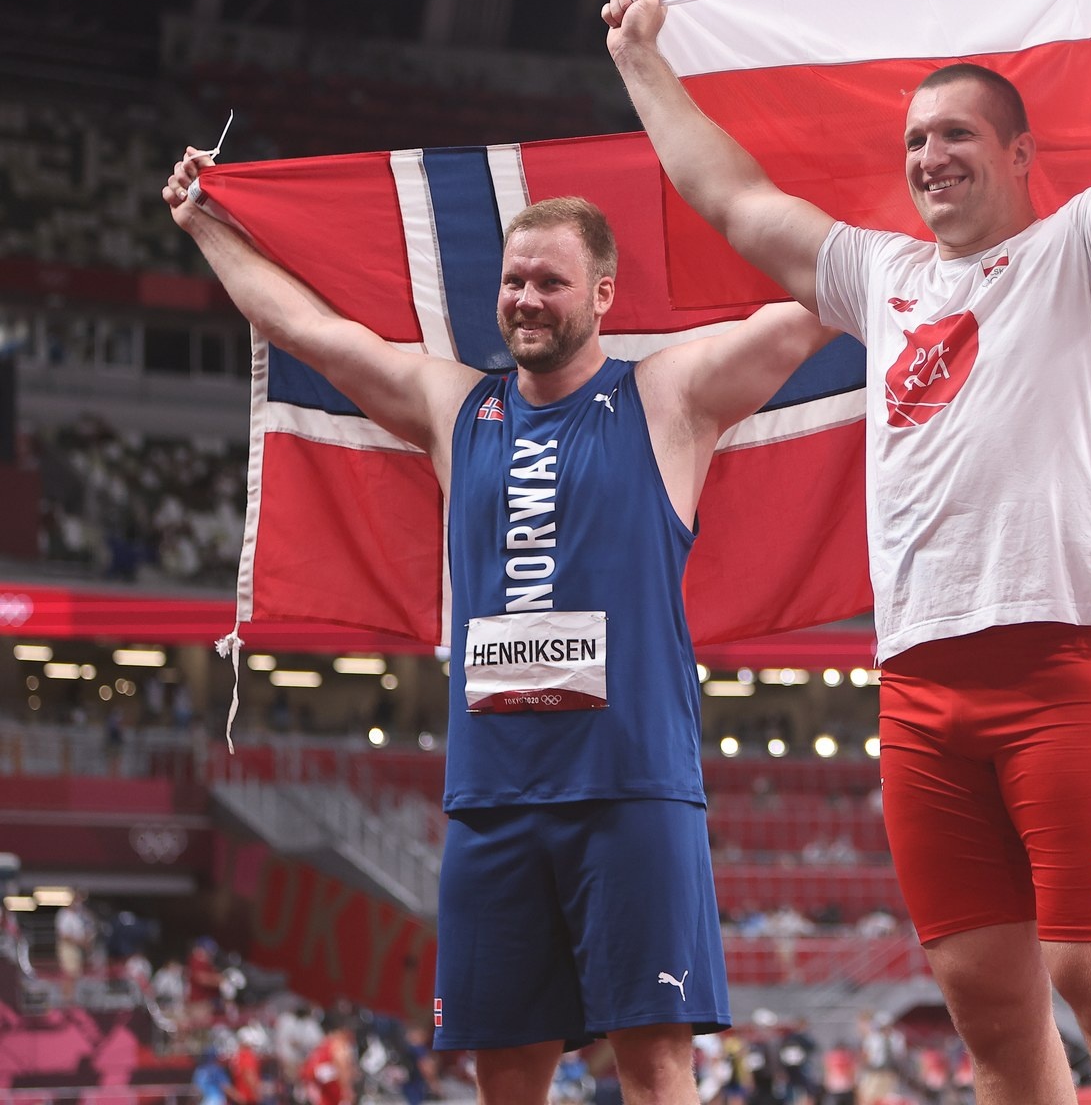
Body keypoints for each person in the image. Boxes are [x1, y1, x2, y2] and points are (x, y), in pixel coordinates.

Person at [601, 0, 1091, 1105]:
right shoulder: (883, 275)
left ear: (1018, 154)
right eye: (915, 144)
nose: (929, 157)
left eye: (956, 136)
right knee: (991, 1021)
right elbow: (732, 201)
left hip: (1066, 661)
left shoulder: (1089, 256)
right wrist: (642, 65)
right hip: (920, 688)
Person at [162, 154, 838, 1105]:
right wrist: (205, 223)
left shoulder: (667, 397)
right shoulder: (455, 406)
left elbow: (815, 304)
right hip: (494, 800)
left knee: (654, 1064)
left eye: (550, 281)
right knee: (506, 1072)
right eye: (515, 280)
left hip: (631, 789)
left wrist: (902, 212)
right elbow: (304, 328)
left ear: (602, 292)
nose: (526, 298)